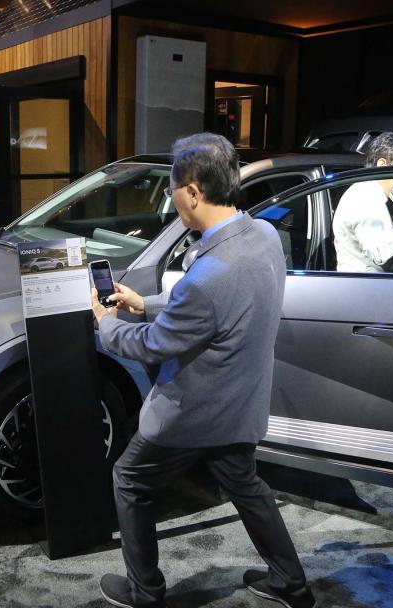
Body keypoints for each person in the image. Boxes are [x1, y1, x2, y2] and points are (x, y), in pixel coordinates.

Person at [90, 133, 314, 608]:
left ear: (192, 191)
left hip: (194, 412)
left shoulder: (210, 273)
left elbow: (154, 345)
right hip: (241, 404)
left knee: (129, 480)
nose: (171, 202)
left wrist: (107, 324)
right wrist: (143, 303)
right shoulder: (264, 235)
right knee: (246, 486)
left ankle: (145, 592)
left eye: (170, 191)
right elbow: (212, 305)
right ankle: (292, 586)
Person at [331, 132, 393, 273]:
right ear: (383, 164)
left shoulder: (373, 193)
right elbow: (379, 252)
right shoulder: (365, 196)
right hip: (361, 288)